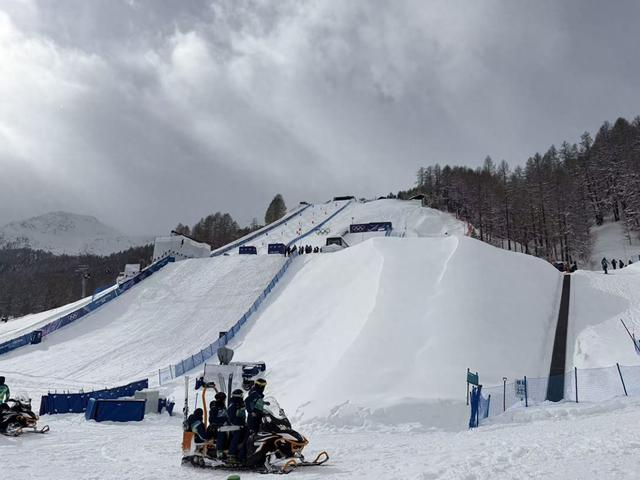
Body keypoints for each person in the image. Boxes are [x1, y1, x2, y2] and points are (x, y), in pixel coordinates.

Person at [226, 389, 247, 462]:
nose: (242, 397)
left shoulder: (240, 403)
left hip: (240, 424)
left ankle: (243, 453)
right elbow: (230, 416)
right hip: (234, 426)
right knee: (237, 435)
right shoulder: (233, 404)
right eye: (241, 395)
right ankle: (231, 454)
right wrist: (236, 423)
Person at [208, 392, 227, 457]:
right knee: (222, 431)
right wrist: (223, 419)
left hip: (222, 425)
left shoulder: (223, 407)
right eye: (224, 399)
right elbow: (212, 419)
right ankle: (219, 451)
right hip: (214, 427)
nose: (224, 401)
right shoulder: (215, 407)